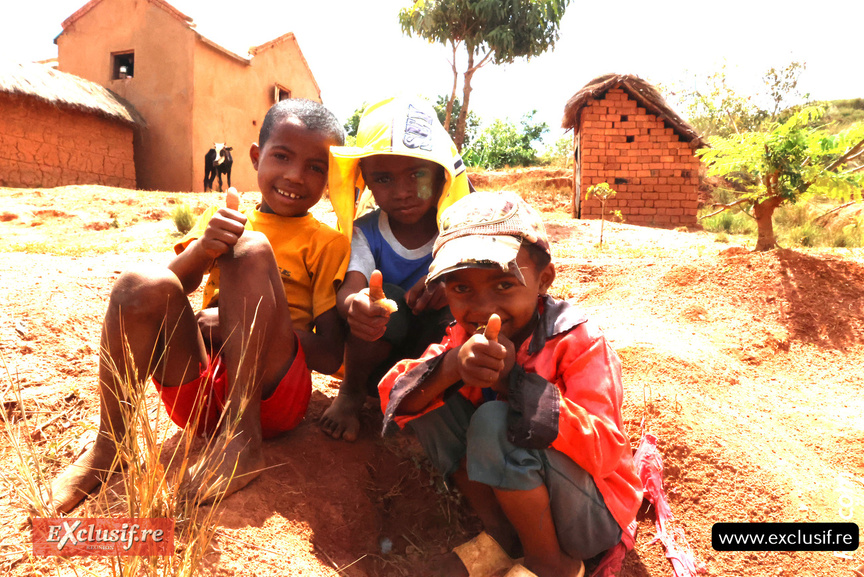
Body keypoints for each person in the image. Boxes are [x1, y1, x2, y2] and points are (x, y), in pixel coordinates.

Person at [46, 98, 350, 513]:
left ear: (330, 178)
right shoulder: (221, 216)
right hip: (201, 393)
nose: (296, 176)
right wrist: (206, 247)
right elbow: (170, 286)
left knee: (250, 247)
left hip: (271, 397)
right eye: (282, 156)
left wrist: (233, 326)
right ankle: (110, 448)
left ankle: (242, 440)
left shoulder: (328, 244)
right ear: (257, 158)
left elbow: (331, 354)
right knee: (139, 282)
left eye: (316, 167)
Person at [378, 191, 643, 577]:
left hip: (590, 517)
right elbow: (394, 396)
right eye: (461, 288)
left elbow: (605, 451)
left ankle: (550, 562)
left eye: (504, 285)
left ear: (544, 279)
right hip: (520, 504)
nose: (483, 307)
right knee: (429, 395)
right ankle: (502, 536)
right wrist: (452, 367)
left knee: (494, 419)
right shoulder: (460, 338)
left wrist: (514, 384)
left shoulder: (579, 342)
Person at [319, 97, 471, 441]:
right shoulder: (366, 233)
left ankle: (438, 405)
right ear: (366, 183)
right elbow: (351, 287)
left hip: (438, 365)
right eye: (383, 178)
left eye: (417, 174)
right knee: (384, 299)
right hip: (376, 364)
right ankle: (351, 395)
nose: (402, 192)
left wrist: (450, 287)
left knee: (464, 303)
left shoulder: (459, 231)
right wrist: (356, 305)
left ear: (440, 174)